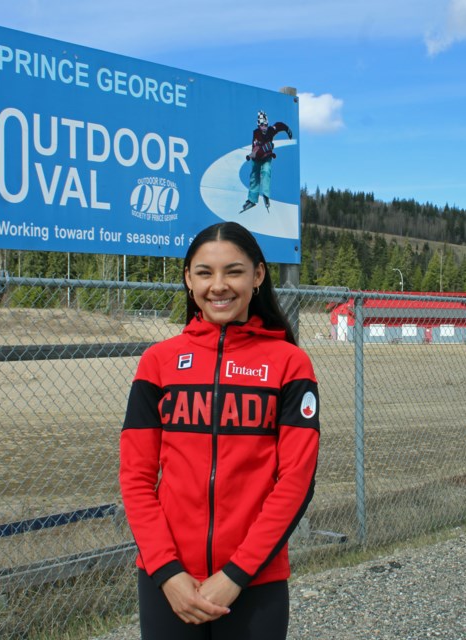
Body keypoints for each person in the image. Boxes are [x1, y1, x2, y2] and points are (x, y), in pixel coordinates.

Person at [120, 221, 319, 640]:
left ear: (258, 276)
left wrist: (236, 574)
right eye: (205, 272)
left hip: (255, 581)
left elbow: (296, 482)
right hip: (168, 583)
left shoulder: (289, 364)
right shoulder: (158, 363)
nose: (219, 286)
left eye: (234, 271)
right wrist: (168, 573)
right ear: (189, 279)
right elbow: (136, 479)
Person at [240, 111, 293, 213]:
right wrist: (265, 148)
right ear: (258, 125)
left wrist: (287, 129)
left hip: (266, 157)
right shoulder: (256, 133)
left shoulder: (270, 130)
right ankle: (252, 199)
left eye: (266, 125)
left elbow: (278, 125)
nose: (264, 127)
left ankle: (266, 194)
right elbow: (257, 150)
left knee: (266, 171)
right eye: (262, 125)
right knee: (254, 177)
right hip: (257, 157)